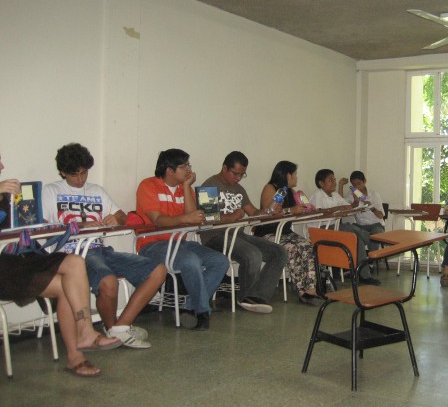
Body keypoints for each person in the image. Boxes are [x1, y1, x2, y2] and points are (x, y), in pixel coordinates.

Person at [1, 155, 122, 377]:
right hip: (4, 269)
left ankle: (85, 333)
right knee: (68, 282)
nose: (2, 165)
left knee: (74, 264)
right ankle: (76, 354)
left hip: (10, 262)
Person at [42, 143, 166, 348]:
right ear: (62, 172)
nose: (80, 179)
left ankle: (119, 329)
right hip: (72, 254)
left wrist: (116, 219)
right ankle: (116, 330)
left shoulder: (96, 190)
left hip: (100, 250)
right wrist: (81, 225)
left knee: (158, 270)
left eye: (84, 173)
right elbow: (45, 228)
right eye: (74, 174)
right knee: (108, 282)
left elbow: (123, 216)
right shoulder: (51, 191)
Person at [136, 149, 229, 329]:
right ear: (169, 170)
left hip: (180, 243)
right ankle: (202, 313)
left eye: (188, 165)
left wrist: (186, 186)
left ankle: (190, 307)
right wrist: (186, 218)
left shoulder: (183, 189)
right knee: (190, 261)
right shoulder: (148, 186)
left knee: (220, 261)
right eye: (184, 166)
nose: (189, 170)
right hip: (153, 244)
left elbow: (193, 217)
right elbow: (158, 221)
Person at [201, 151, 287, 314]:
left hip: (237, 235)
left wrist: (269, 211)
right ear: (224, 168)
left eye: (242, 174)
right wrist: (231, 217)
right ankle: (246, 297)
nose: (238, 178)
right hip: (215, 236)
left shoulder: (239, 189)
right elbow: (207, 218)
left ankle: (258, 296)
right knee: (252, 254)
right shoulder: (209, 186)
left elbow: (253, 213)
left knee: (279, 252)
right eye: (235, 173)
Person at [254, 161, 322, 306]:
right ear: (286, 175)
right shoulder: (270, 188)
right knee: (292, 248)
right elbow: (267, 214)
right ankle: (301, 291)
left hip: (285, 232)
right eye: (294, 174)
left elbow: (297, 210)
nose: (296, 177)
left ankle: (311, 288)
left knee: (307, 246)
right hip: (267, 233)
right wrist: (290, 210)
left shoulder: (291, 192)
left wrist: (307, 209)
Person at [309, 169, 380, 285]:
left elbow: (348, 207)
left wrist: (355, 202)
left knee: (357, 240)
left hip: (334, 228)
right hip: (321, 230)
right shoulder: (317, 195)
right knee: (349, 228)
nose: (334, 182)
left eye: (334, 179)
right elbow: (318, 212)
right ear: (321, 183)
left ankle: (364, 276)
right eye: (330, 180)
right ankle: (372, 239)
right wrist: (338, 209)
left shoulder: (335, 195)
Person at [341, 171, 385, 251]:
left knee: (376, 233)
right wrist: (355, 202)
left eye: (359, 183)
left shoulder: (374, 194)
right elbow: (341, 204)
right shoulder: (351, 195)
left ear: (364, 181)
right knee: (346, 227)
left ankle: (371, 256)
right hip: (360, 227)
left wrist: (371, 207)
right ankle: (371, 240)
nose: (357, 187)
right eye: (354, 185)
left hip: (376, 225)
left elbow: (381, 215)